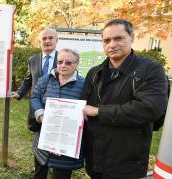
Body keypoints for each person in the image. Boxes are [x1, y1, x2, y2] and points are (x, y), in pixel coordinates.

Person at [82, 19, 168, 178]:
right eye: (106, 40)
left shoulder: (150, 70)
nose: (112, 44)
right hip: (95, 159)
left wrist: (99, 112)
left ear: (132, 37)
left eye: (118, 38)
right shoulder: (94, 73)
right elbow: (83, 108)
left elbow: (149, 109)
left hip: (126, 163)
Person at [30, 48, 85, 179]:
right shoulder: (46, 79)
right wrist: (41, 114)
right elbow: (35, 96)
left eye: (68, 62)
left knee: (61, 175)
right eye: (60, 62)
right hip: (45, 135)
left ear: (76, 64)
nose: (63, 65)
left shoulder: (84, 84)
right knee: (39, 171)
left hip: (66, 140)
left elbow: (88, 106)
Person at [11, 28, 58, 132]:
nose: (47, 41)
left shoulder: (62, 59)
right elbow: (28, 79)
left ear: (56, 40)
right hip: (36, 105)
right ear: (40, 42)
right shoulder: (33, 60)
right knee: (36, 133)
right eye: (44, 38)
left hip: (55, 105)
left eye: (51, 38)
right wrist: (19, 93)